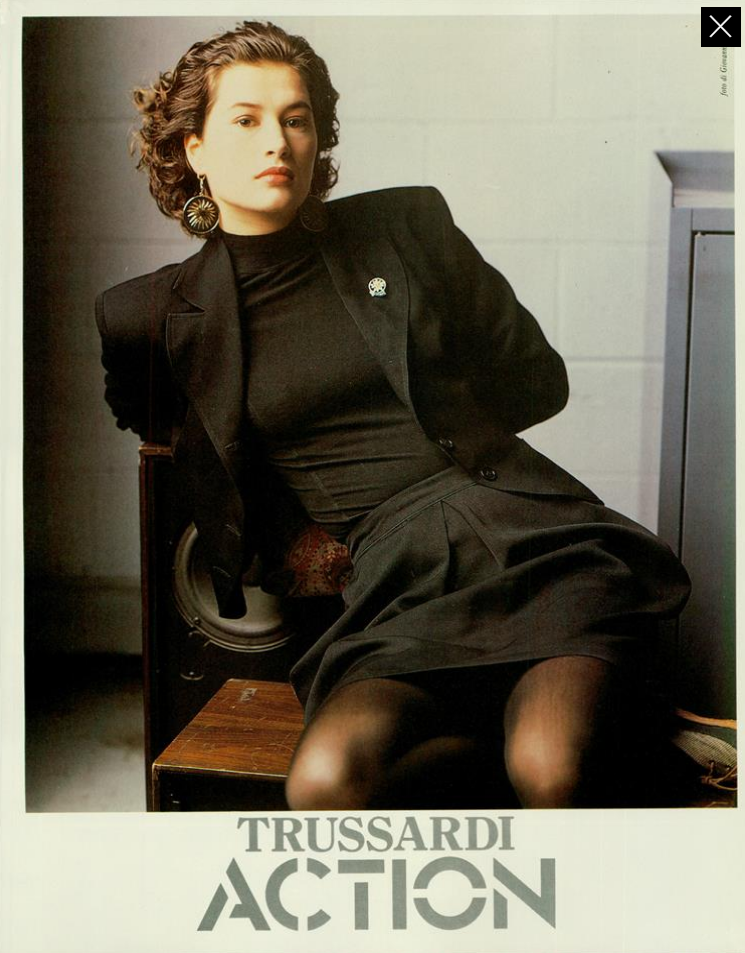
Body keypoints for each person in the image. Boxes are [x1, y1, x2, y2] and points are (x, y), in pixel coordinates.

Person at [96, 20, 690, 810]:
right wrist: (286, 537)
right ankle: (583, 738)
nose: (277, 140)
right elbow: (176, 441)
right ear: (194, 146)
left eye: (297, 118)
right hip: (390, 586)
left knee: (553, 769)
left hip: (533, 544)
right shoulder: (147, 317)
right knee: (326, 784)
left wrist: (449, 429)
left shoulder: (406, 228)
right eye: (246, 119)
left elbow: (536, 379)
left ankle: (574, 739)